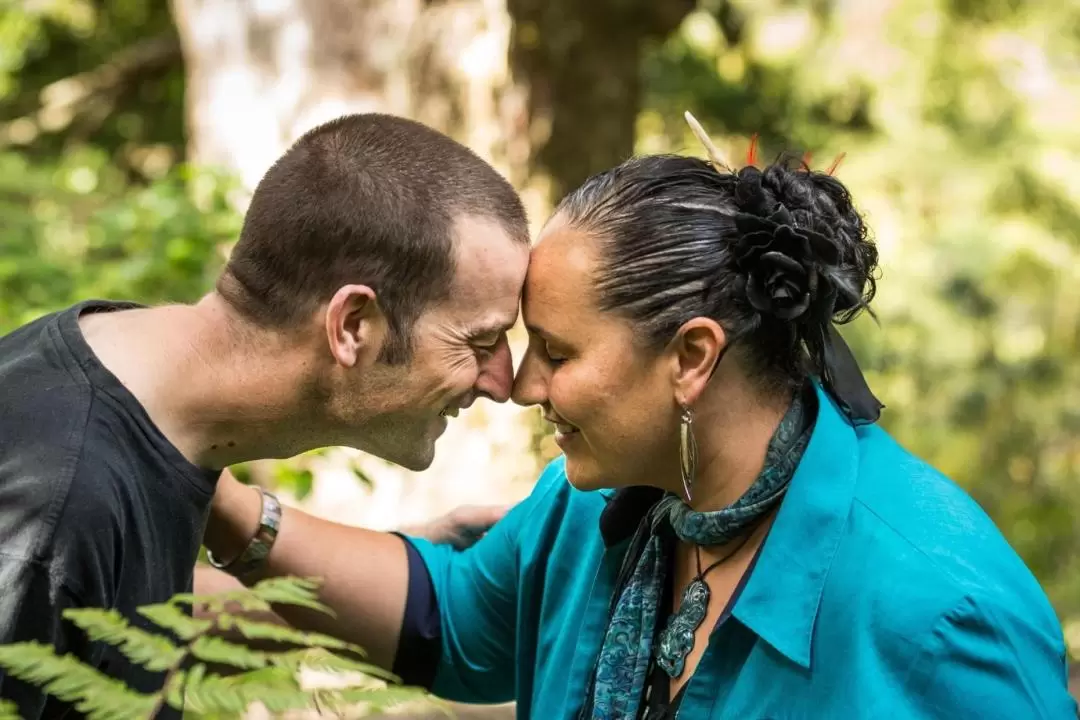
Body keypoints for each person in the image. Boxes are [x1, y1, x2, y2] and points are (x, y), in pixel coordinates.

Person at [202, 116, 1077, 719]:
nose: (519, 385)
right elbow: (455, 619)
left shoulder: (934, 613)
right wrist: (229, 508)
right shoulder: (600, 504)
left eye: (558, 352)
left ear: (691, 359)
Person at [0, 113, 529, 718]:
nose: (503, 383)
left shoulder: (145, 394)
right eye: (481, 341)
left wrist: (395, 573)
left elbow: (132, 617)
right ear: (353, 326)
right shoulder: (56, 504)